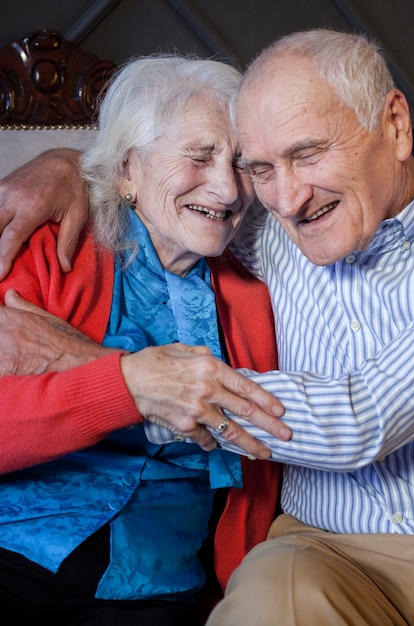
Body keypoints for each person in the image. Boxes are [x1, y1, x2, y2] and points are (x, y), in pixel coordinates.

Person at [0, 30, 414, 626]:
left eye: (242, 164)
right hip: (34, 549)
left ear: (393, 124)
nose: (266, 194)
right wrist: (63, 167)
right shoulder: (68, 247)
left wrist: (113, 373)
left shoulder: (267, 256)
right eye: (256, 166)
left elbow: (366, 417)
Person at [0, 53, 291, 626]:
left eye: (239, 163)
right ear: (129, 169)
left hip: (159, 586)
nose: (227, 188)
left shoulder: (262, 291)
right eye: (199, 157)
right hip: (20, 550)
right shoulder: (52, 252)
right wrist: (124, 384)